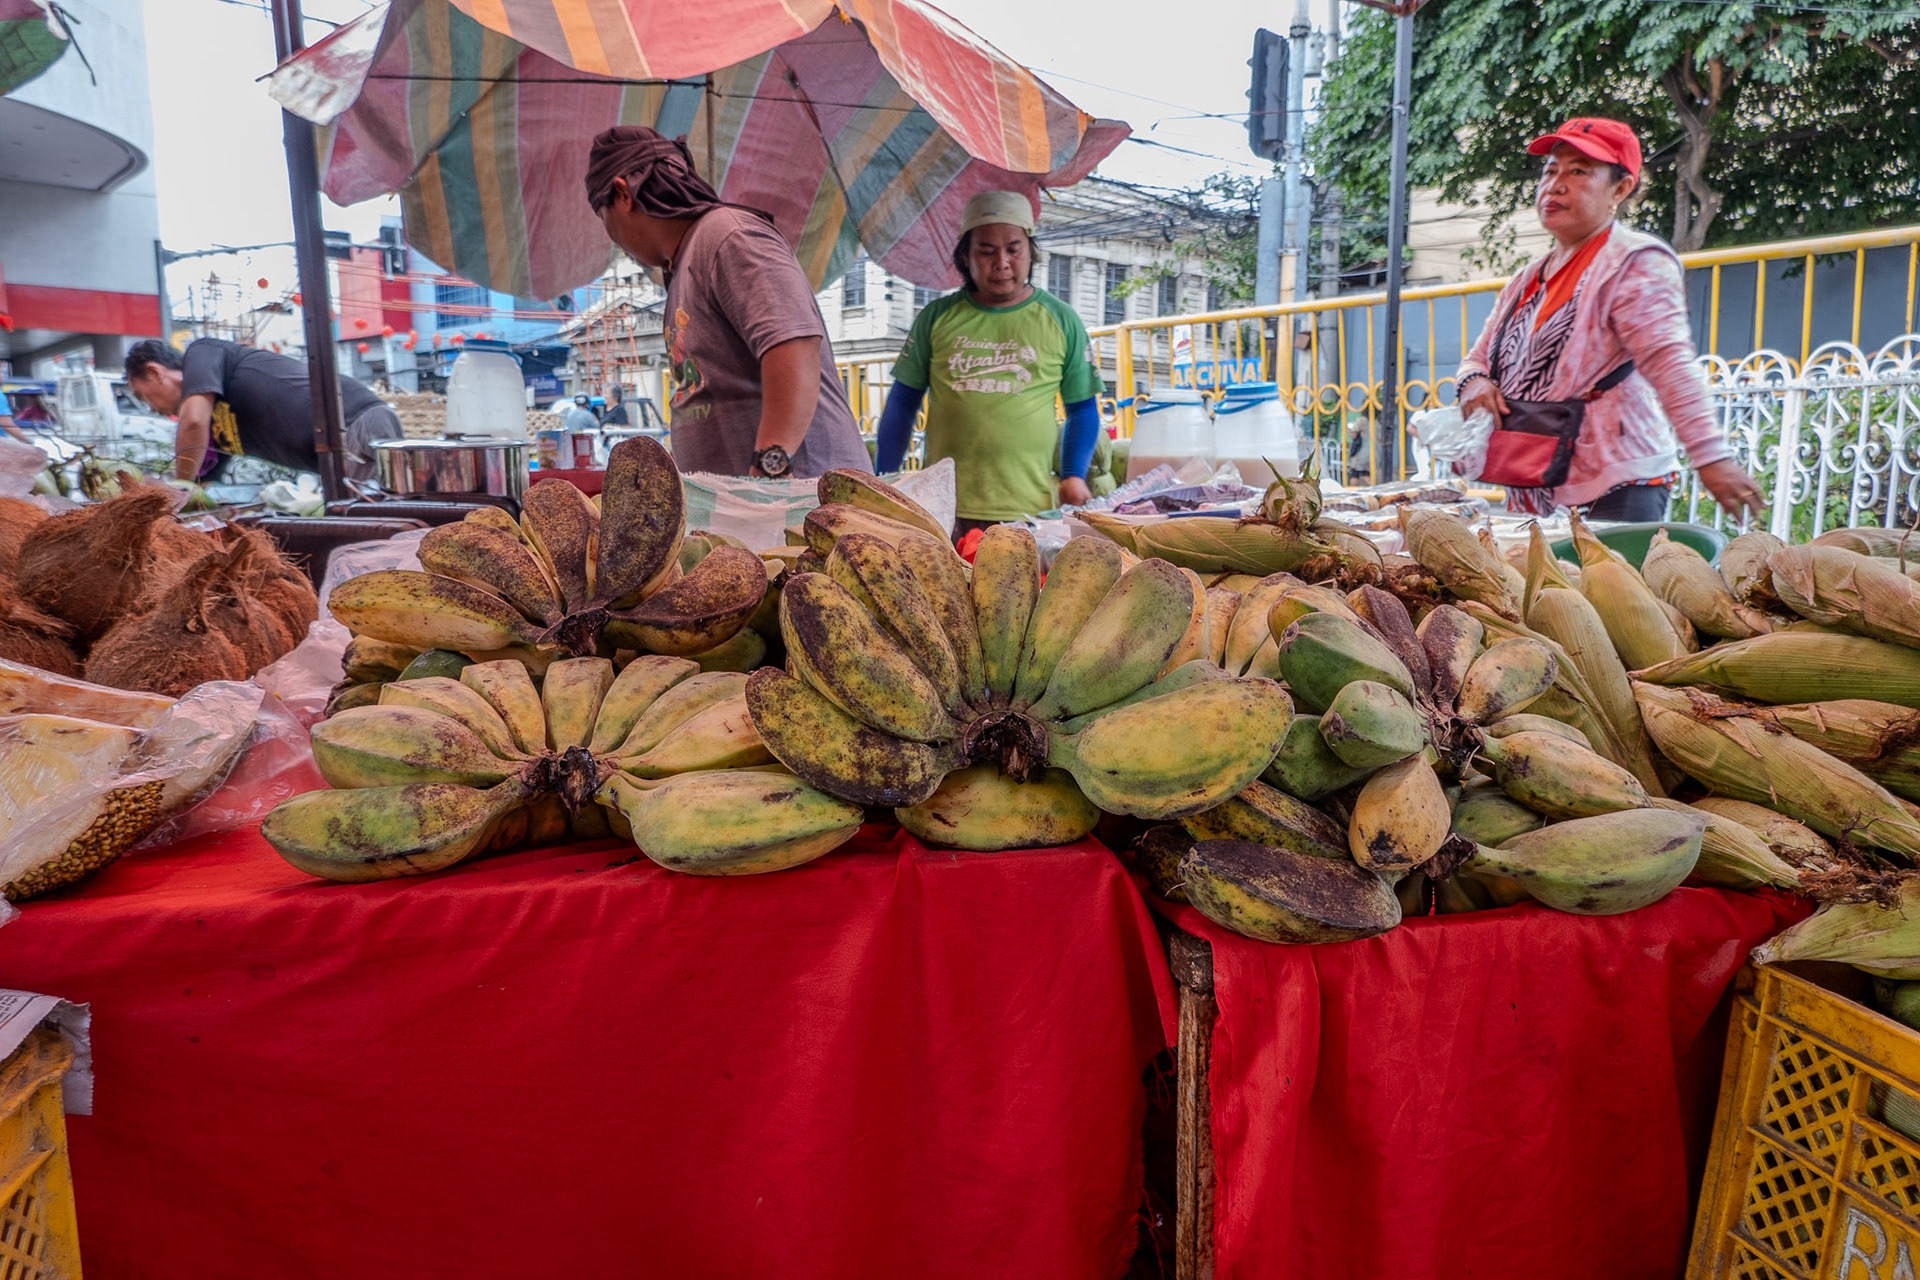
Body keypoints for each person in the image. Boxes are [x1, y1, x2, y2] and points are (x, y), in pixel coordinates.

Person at [1454, 117, 1763, 521]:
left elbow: (1669, 363)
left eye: (1578, 171)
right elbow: (1477, 359)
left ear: (1620, 188)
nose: (1555, 185)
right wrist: (1473, 382)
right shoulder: (1526, 279)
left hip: (1614, 486)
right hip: (1533, 483)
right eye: (1550, 171)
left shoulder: (1633, 262)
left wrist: (1710, 456)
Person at [585, 126, 870, 480]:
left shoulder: (729, 236)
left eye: (603, 217)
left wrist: (769, 467)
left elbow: (793, 347)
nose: (612, 238)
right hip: (749, 502)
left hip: (800, 497)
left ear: (622, 194)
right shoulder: (685, 261)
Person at [874, 191, 1103, 537]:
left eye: (1013, 249)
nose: (1002, 262)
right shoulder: (936, 318)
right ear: (965, 256)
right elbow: (903, 403)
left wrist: (1074, 474)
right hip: (943, 510)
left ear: (1031, 252)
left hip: (1029, 513)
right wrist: (884, 478)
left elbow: (1082, 408)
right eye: (986, 250)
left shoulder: (1061, 319)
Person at [124, 338, 402, 482]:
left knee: (378, 534)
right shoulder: (214, 430)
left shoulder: (201, 352)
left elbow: (193, 421)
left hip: (354, 420)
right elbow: (200, 483)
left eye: (142, 395)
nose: (150, 408)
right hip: (335, 455)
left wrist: (178, 487)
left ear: (155, 372)